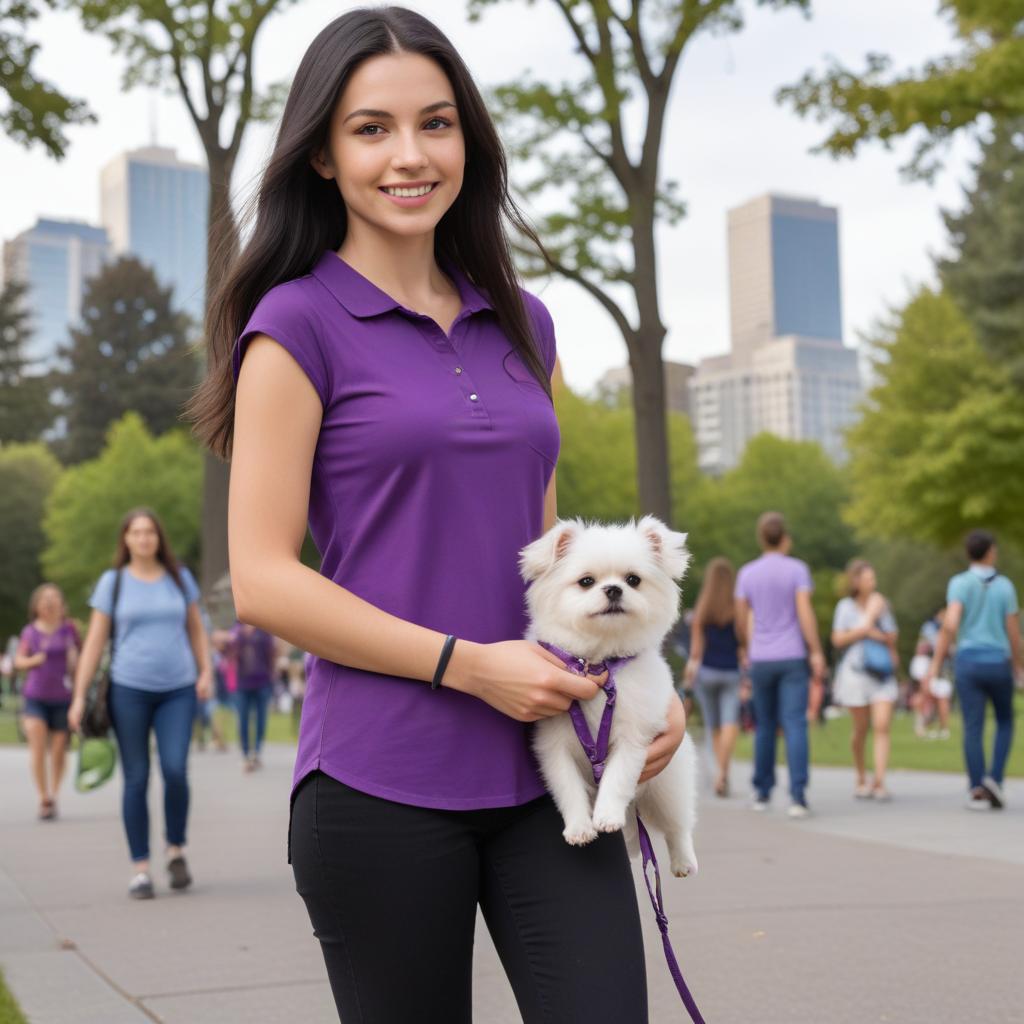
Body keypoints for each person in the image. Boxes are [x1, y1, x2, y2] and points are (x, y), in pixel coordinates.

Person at [186, 8, 688, 1020]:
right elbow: (264, 577)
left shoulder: (523, 317)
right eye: (371, 128)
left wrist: (635, 684)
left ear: (468, 139)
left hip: (551, 773)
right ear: (322, 155)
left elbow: (544, 562)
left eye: (437, 122)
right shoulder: (293, 323)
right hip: (380, 779)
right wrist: (468, 664)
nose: (409, 155)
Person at [68, 509, 213, 899]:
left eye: (150, 532)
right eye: (137, 532)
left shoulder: (179, 579)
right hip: (128, 688)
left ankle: (175, 849)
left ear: (158, 538)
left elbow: (197, 630)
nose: (145, 538)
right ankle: (141, 869)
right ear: (126, 540)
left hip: (178, 689)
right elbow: (94, 643)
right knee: (136, 776)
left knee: (175, 769)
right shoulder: (112, 583)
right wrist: (79, 696)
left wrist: (206, 673)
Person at [735, 511, 825, 818]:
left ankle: (762, 792)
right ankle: (797, 796)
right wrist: (815, 650)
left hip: (761, 656)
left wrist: (746, 648)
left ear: (761, 538)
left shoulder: (747, 573)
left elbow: (741, 616)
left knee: (764, 726)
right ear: (785, 537)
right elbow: (804, 612)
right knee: (795, 724)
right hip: (791, 655)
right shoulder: (797, 569)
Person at [925, 530, 1021, 810]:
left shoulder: (959, 583)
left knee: (973, 727)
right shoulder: (1005, 586)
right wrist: (1019, 665)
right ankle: (996, 780)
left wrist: (935, 663)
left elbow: (951, 624)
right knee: (1005, 720)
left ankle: (977, 789)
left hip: (968, 662)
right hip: (997, 662)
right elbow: (1013, 633)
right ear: (990, 551)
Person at [830, 559, 899, 801]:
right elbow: (838, 640)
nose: (873, 582)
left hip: (881, 673)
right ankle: (861, 776)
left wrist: (874, 629)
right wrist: (868, 621)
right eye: (868, 578)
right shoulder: (845, 607)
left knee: (881, 726)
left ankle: (879, 781)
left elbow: (892, 636)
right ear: (856, 581)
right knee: (861, 728)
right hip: (856, 673)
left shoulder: (882, 604)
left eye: (874, 577)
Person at [14, 584, 81, 819]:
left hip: (63, 697)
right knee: (37, 741)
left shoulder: (69, 630)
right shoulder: (30, 632)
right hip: (35, 696)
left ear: (62, 605)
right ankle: (43, 797)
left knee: (60, 749)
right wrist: (33, 660)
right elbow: (18, 661)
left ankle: (55, 792)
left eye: (54, 598)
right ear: (37, 605)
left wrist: (75, 660)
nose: (50, 602)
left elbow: (82, 661)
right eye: (45, 599)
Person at [685, 557, 744, 797]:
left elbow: (696, 650)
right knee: (731, 723)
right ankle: (723, 773)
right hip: (731, 671)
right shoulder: (737, 609)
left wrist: (689, 677)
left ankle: (719, 771)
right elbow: (744, 643)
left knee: (713, 726)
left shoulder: (702, 610)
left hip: (706, 673)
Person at [214, 621, 278, 771]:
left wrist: (273, 676)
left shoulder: (264, 630)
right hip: (242, 683)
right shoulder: (235, 631)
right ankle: (245, 753)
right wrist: (222, 642)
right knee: (243, 719)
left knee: (261, 719)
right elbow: (224, 652)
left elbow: (272, 653)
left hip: (263, 682)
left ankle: (256, 752)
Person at [910, 608, 953, 740]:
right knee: (925, 694)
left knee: (940, 696)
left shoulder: (946, 630)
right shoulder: (930, 627)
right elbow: (937, 647)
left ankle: (940, 727)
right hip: (926, 664)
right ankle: (921, 723)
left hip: (939, 668)